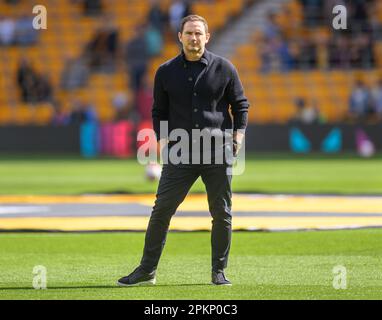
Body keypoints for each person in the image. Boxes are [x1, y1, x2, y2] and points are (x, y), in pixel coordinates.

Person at [117, 15, 249, 287]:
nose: (194, 38)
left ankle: (218, 271)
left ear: (207, 36)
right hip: (181, 153)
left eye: (199, 33)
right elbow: (158, 112)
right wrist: (163, 142)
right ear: (180, 36)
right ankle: (147, 270)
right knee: (161, 211)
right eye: (189, 33)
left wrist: (238, 136)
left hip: (217, 151)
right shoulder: (165, 71)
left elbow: (240, 105)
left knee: (221, 213)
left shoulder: (225, 68)